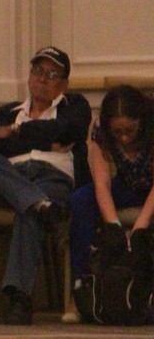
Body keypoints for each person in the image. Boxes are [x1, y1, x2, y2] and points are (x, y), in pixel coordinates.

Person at [0, 46, 91, 325]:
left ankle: (19, 299)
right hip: (11, 179)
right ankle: (40, 204)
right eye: (38, 70)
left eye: (51, 74)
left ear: (63, 84)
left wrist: (17, 132)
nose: (42, 79)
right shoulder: (6, 112)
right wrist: (45, 138)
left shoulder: (74, 106)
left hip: (53, 177)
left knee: (28, 212)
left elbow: (68, 130)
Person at [69, 85, 154, 283]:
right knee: (80, 199)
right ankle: (84, 281)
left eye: (129, 130)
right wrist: (113, 225)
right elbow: (102, 183)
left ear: (140, 121)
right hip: (127, 185)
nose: (123, 137)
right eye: (117, 132)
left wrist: (140, 227)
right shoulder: (101, 128)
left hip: (150, 188)